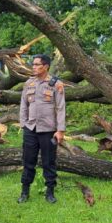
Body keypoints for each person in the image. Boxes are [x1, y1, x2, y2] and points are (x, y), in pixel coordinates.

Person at [18, 54, 66, 204]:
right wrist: (23, 124)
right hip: (31, 129)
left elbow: (60, 108)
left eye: (37, 64)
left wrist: (60, 130)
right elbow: (23, 105)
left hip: (48, 130)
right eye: (33, 64)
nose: (33, 67)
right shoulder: (29, 84)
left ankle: (50, 192)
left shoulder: (56, 84)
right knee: (28, 161)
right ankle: (25, 192)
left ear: (46, 66)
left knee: (49, 162)